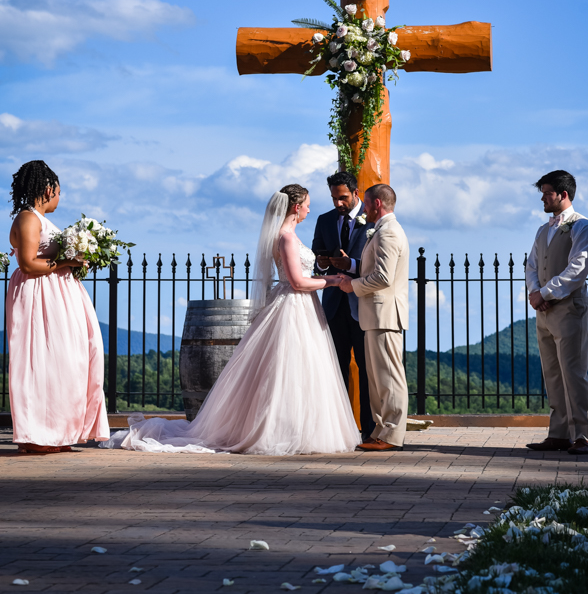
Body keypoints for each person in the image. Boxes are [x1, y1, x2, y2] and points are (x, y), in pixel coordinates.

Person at [101, 185, 360, 455]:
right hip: (293, 306)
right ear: (296, 207)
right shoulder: (286, 238)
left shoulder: (287, 236)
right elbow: (296, 282)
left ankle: (298, 427)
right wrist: (331, 280)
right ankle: (282, 430)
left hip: (302, 306)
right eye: (306, 204)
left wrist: (319, 268)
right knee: (287, 369)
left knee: (301, 370)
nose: (309, 208)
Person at [7, 160, 109, 454]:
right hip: (38, 296)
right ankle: (36, 436)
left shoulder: (38, 218)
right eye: (59, 192)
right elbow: (27, 264)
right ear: (48, 188)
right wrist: (67, 261)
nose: (59, 198)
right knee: (41, 362)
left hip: (55, 296)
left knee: (64, 364)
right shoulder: (29, 219)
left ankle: (56, 432)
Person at [525, 170, 588, 455]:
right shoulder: (543, 230)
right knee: (552, 372)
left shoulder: (583, 227)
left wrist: (545, 293)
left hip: (568, 309)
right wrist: (534, 292)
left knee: (573, 372)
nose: (543, 198)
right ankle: (558, 433)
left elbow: (578, 270)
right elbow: (531, 265)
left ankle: (583, 435)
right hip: (543, 311)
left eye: (547, 193)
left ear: (563, 195)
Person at [340, 184, 409, 452]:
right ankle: (380, 430)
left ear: (377, 204)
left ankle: (391, 434)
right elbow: (375, 268)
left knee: (389, 377)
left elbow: (383, 277)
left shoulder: (389, 232)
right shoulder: (382, 231)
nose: (364, 208)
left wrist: (353, 286)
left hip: (385, 314)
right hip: (375, 315)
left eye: (366, 204)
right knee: (378, 378)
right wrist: (352, 268)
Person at [312, 171, 374, 440]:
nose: (338, 203)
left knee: (366, 368)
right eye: (334, 198)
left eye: (343, 198)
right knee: (334, 369)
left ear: (355, 193)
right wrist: (324, 264)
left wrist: (349, 265)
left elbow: (375, 265)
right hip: (334, 306)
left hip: (363, 306)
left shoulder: (372, 221)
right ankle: (338, 430)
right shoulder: (324, 220)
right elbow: (317, 257)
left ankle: (369, 430)